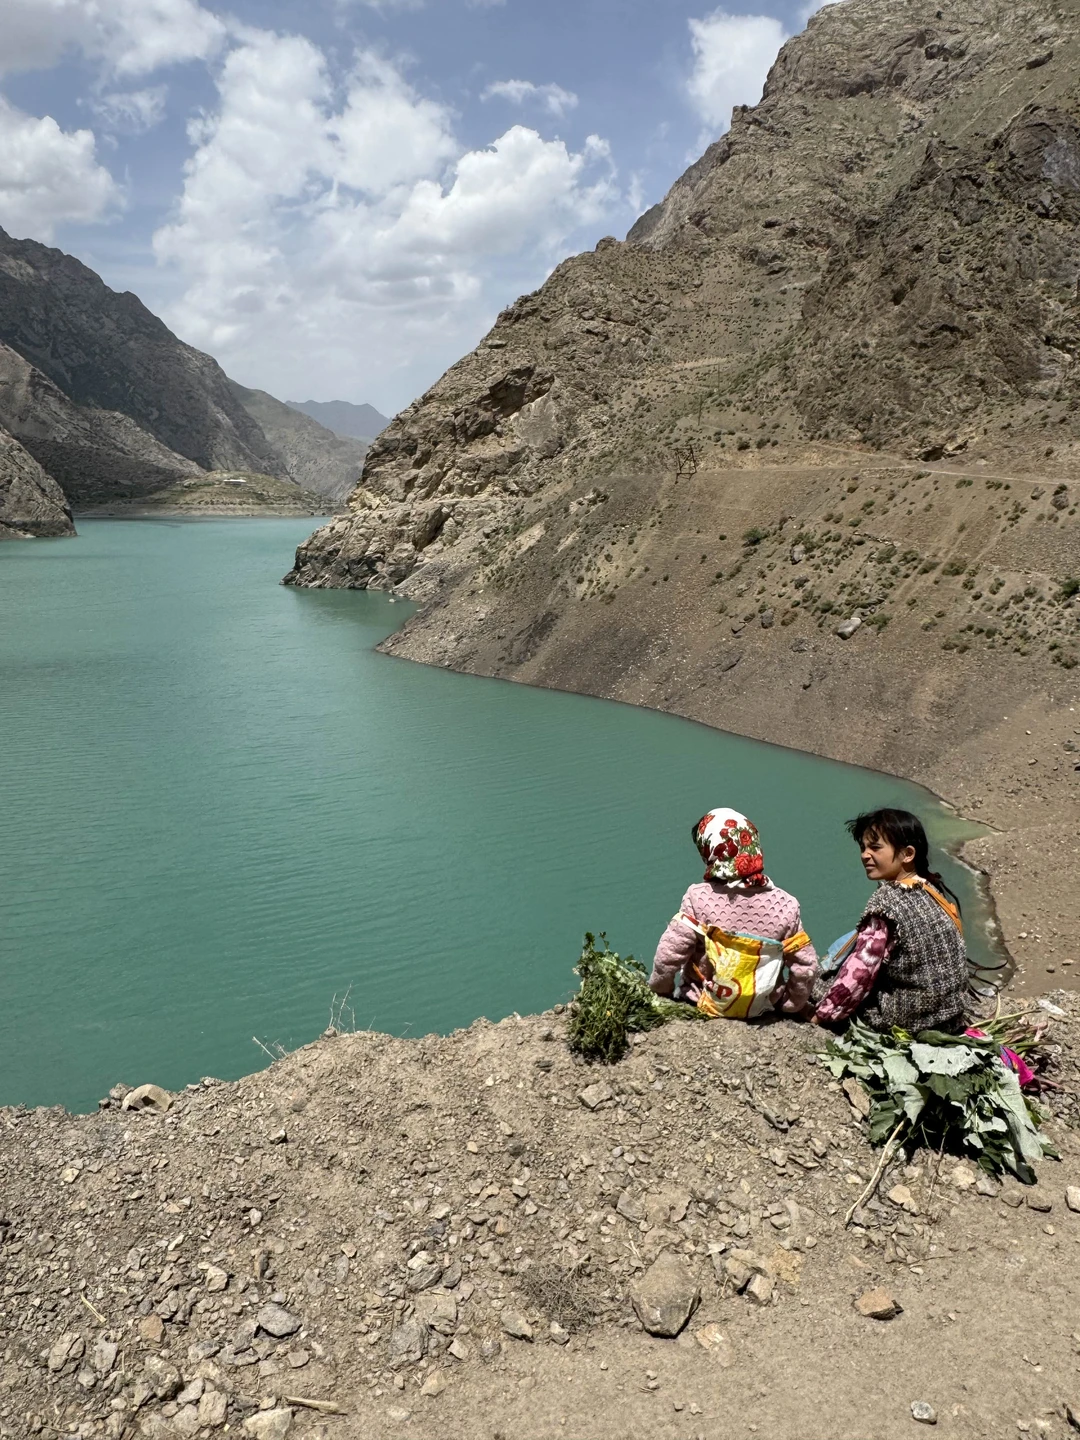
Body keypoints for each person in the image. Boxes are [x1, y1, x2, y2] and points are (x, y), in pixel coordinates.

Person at [649, 807, 818, 1019]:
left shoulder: (697, 897)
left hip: (701, 1003)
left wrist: (660, 990)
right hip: (762, 1010)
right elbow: (806, 966)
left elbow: (669, 954)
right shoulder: (786, 905)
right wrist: (791, 1004)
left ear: (710, 850)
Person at [813, 808, 968, 1033]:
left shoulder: (887, 900)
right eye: (863, 848)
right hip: (950, 1016)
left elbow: (861, 972)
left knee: (818, 982)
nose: (865, 855)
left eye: (875, 848)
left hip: (908, 1020)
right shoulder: (931, 890)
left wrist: (822, 1015)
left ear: (908, 854)